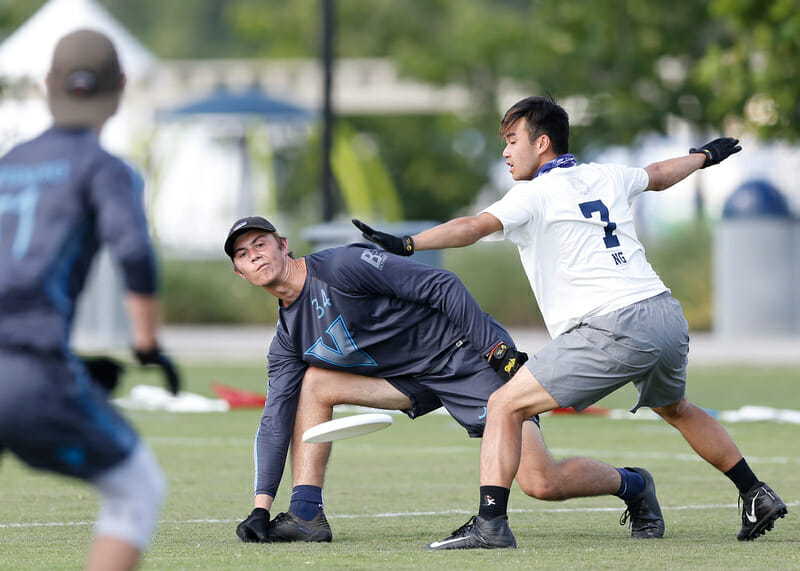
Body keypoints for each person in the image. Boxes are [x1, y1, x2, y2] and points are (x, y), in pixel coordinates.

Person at [353, 95, 788, 549]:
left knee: (504, 405)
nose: (505, 151)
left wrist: (408, 243)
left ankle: (490, 525)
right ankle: (754, 490)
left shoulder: (533, 193)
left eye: (512, 140)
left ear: (542, 143)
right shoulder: (604, 173)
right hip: (663, 314)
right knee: (676, 409)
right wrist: (705, 156)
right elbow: (658, 176)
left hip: (610, 326)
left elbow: (472, 227)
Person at [227, 215, 666, 545]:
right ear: (240, 273)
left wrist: (496, 352)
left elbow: (443, 285)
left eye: (261, 244)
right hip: (411, 380)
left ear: (283, 245)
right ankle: (305, 514)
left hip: (465, 357)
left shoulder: (341, 265)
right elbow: (273, 420)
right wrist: (260, 506)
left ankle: (634, 484)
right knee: (314, 383)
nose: (256, 256)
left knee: (541, 482)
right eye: (244, 255)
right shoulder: (287, 340)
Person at [0, 30, 180, 571]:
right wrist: (145, 342)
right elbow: (132, 249)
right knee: (137, 490)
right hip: (25, 373)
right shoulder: (103, 167)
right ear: (121, 87)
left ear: (46, 85)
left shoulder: (8, 162)